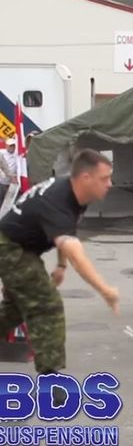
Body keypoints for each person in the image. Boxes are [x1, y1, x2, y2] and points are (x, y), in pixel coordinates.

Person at [0, 149, 120, 383]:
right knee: (46, 304)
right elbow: (76, 252)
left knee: (14, 310)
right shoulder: (58, 199)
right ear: (86, 178)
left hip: (20, 247)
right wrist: (105, 290)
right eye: (105, 178)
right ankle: (50, 379)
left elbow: (66, 233)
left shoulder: (76, 196)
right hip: (9, 247)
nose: (110, 184)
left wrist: (61, 266)